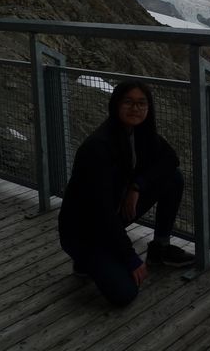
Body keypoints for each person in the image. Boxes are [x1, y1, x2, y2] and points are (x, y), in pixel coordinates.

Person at [58, 79, 194, 306]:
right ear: (116, 104)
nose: (135, 108)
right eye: (128, 102)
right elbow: (100, 212)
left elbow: (171, 159)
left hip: (112, 213)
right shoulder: (98, 146)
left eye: (141, 103)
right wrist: (130, 258)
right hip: (84, 230)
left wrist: (136, 186)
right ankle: (85, 260)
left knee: (173, 178)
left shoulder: (140, 133)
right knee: (125, 293)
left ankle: (159, 248)